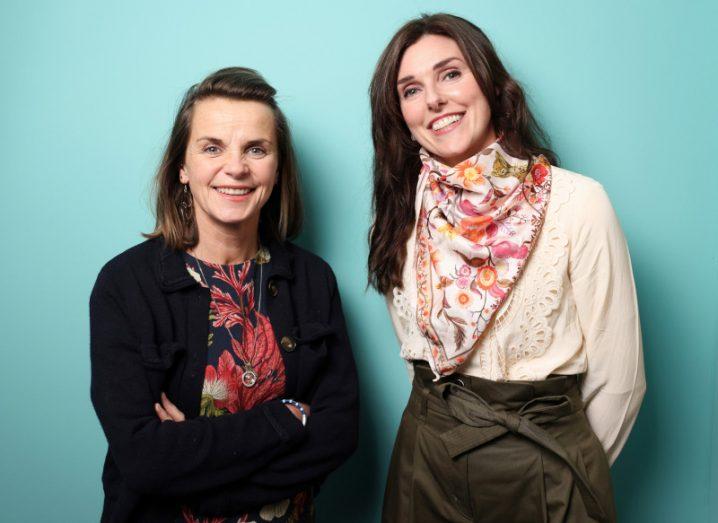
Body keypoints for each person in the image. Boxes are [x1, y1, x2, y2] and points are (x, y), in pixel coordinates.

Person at [368, 13, 645, 522]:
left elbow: (621, 379)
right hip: (425, 469)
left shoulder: (578, 202)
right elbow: (419, 358)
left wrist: (560, 473)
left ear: (491, 83)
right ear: (399, 116)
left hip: (544, 469)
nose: (433, 99)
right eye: (411, 90)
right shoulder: (399, 219)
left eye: (450, 74)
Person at [90, 67, 358, 523]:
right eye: (212, 147)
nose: (236, 167)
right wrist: (287, 417)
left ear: (277, 169)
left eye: (256, 149)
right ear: (182, 167)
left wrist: (201, 471)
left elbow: (338, 434)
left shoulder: (314, 280)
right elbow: (144, 458)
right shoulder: (124, 284)